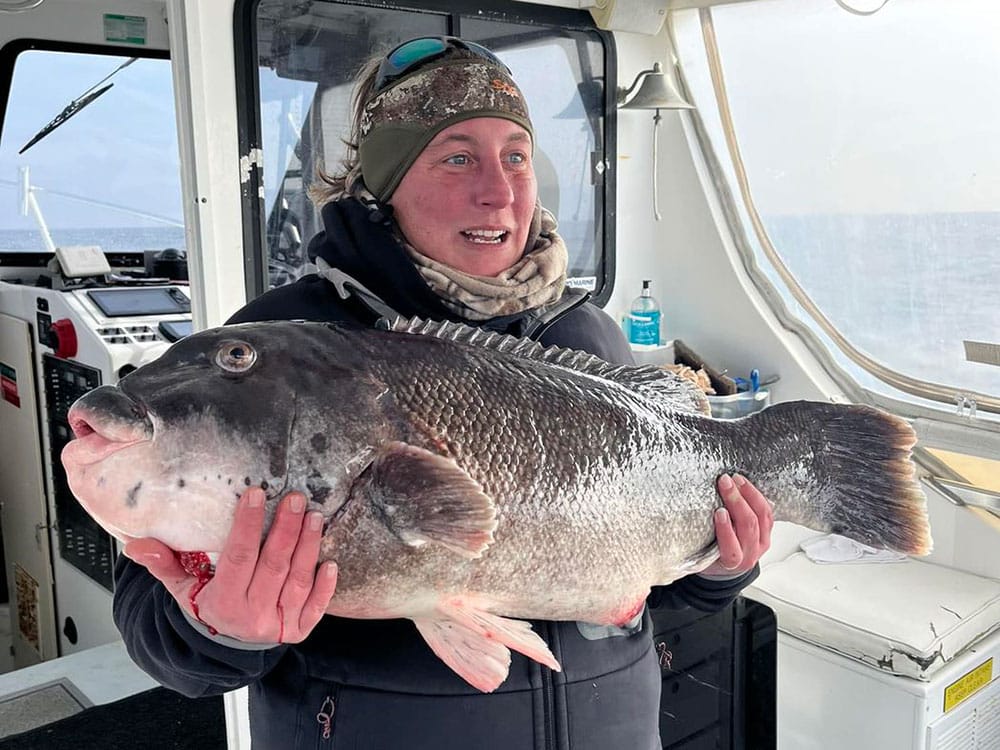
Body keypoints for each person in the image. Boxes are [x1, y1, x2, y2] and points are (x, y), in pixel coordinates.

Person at [114, 36, 773, 750]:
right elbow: (159, 629)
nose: (499, 190)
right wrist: (220, 629)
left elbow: (647, 585)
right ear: (383, 179)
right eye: (456, 157)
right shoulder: (274, 350)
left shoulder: (589, 339)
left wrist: (721, 565)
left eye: (515, 157)